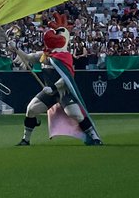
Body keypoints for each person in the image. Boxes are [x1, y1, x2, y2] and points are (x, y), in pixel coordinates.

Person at [12, 15, 102, 146]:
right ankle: (26, 139)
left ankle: (94, 137)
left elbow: (66, 78)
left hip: (63, 92)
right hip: (49, 93)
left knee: (75, 114)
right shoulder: (45, 55)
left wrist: (53, 88)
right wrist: (16, 49)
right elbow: (29, 58)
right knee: (31, 109)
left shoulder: (65, 57)